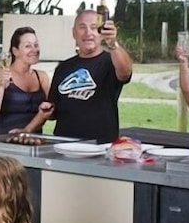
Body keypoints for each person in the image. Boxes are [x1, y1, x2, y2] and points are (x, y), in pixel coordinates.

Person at [48, 10, 132, 142]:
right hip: (64, 144)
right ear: (74, 33)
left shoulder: (110, 62)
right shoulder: (63, 67)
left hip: (100, 146)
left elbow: (125, 72)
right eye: (82, 27)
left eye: (94, 28)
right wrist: (47, 109)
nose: (88, 33)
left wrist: (113, 44)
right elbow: (53, 112)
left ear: (101, 33)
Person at [0, 26, 52, 134]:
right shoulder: (1, 75)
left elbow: (51, 113)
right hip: (5, 140)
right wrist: (0, 87)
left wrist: (44, 112)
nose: (34, 50)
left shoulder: (42, 77)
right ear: (15, 51)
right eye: (28, 46)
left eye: (36, 45)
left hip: (35, 141)